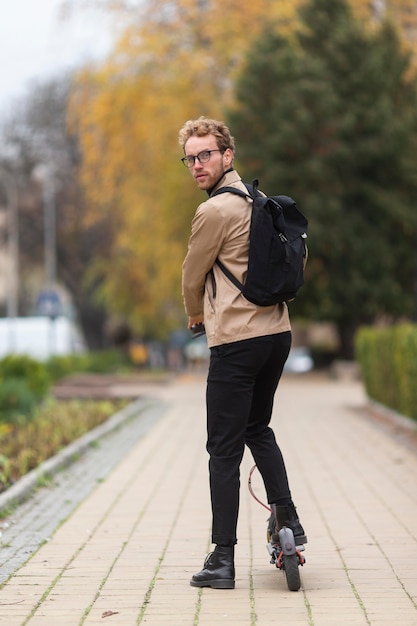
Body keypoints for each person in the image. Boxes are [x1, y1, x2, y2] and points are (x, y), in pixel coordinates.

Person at [179, 116, 306, 590]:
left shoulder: (213, 212)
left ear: (227, 155)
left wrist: (195, 314)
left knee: (223, 450)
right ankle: (289, 520)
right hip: (278, 335)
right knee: (258, 428)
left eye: (205, 154)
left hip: (237, 340)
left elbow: (193, 274)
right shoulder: (261, 202)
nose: (197, 164)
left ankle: (222, 559)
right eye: (190, 158)